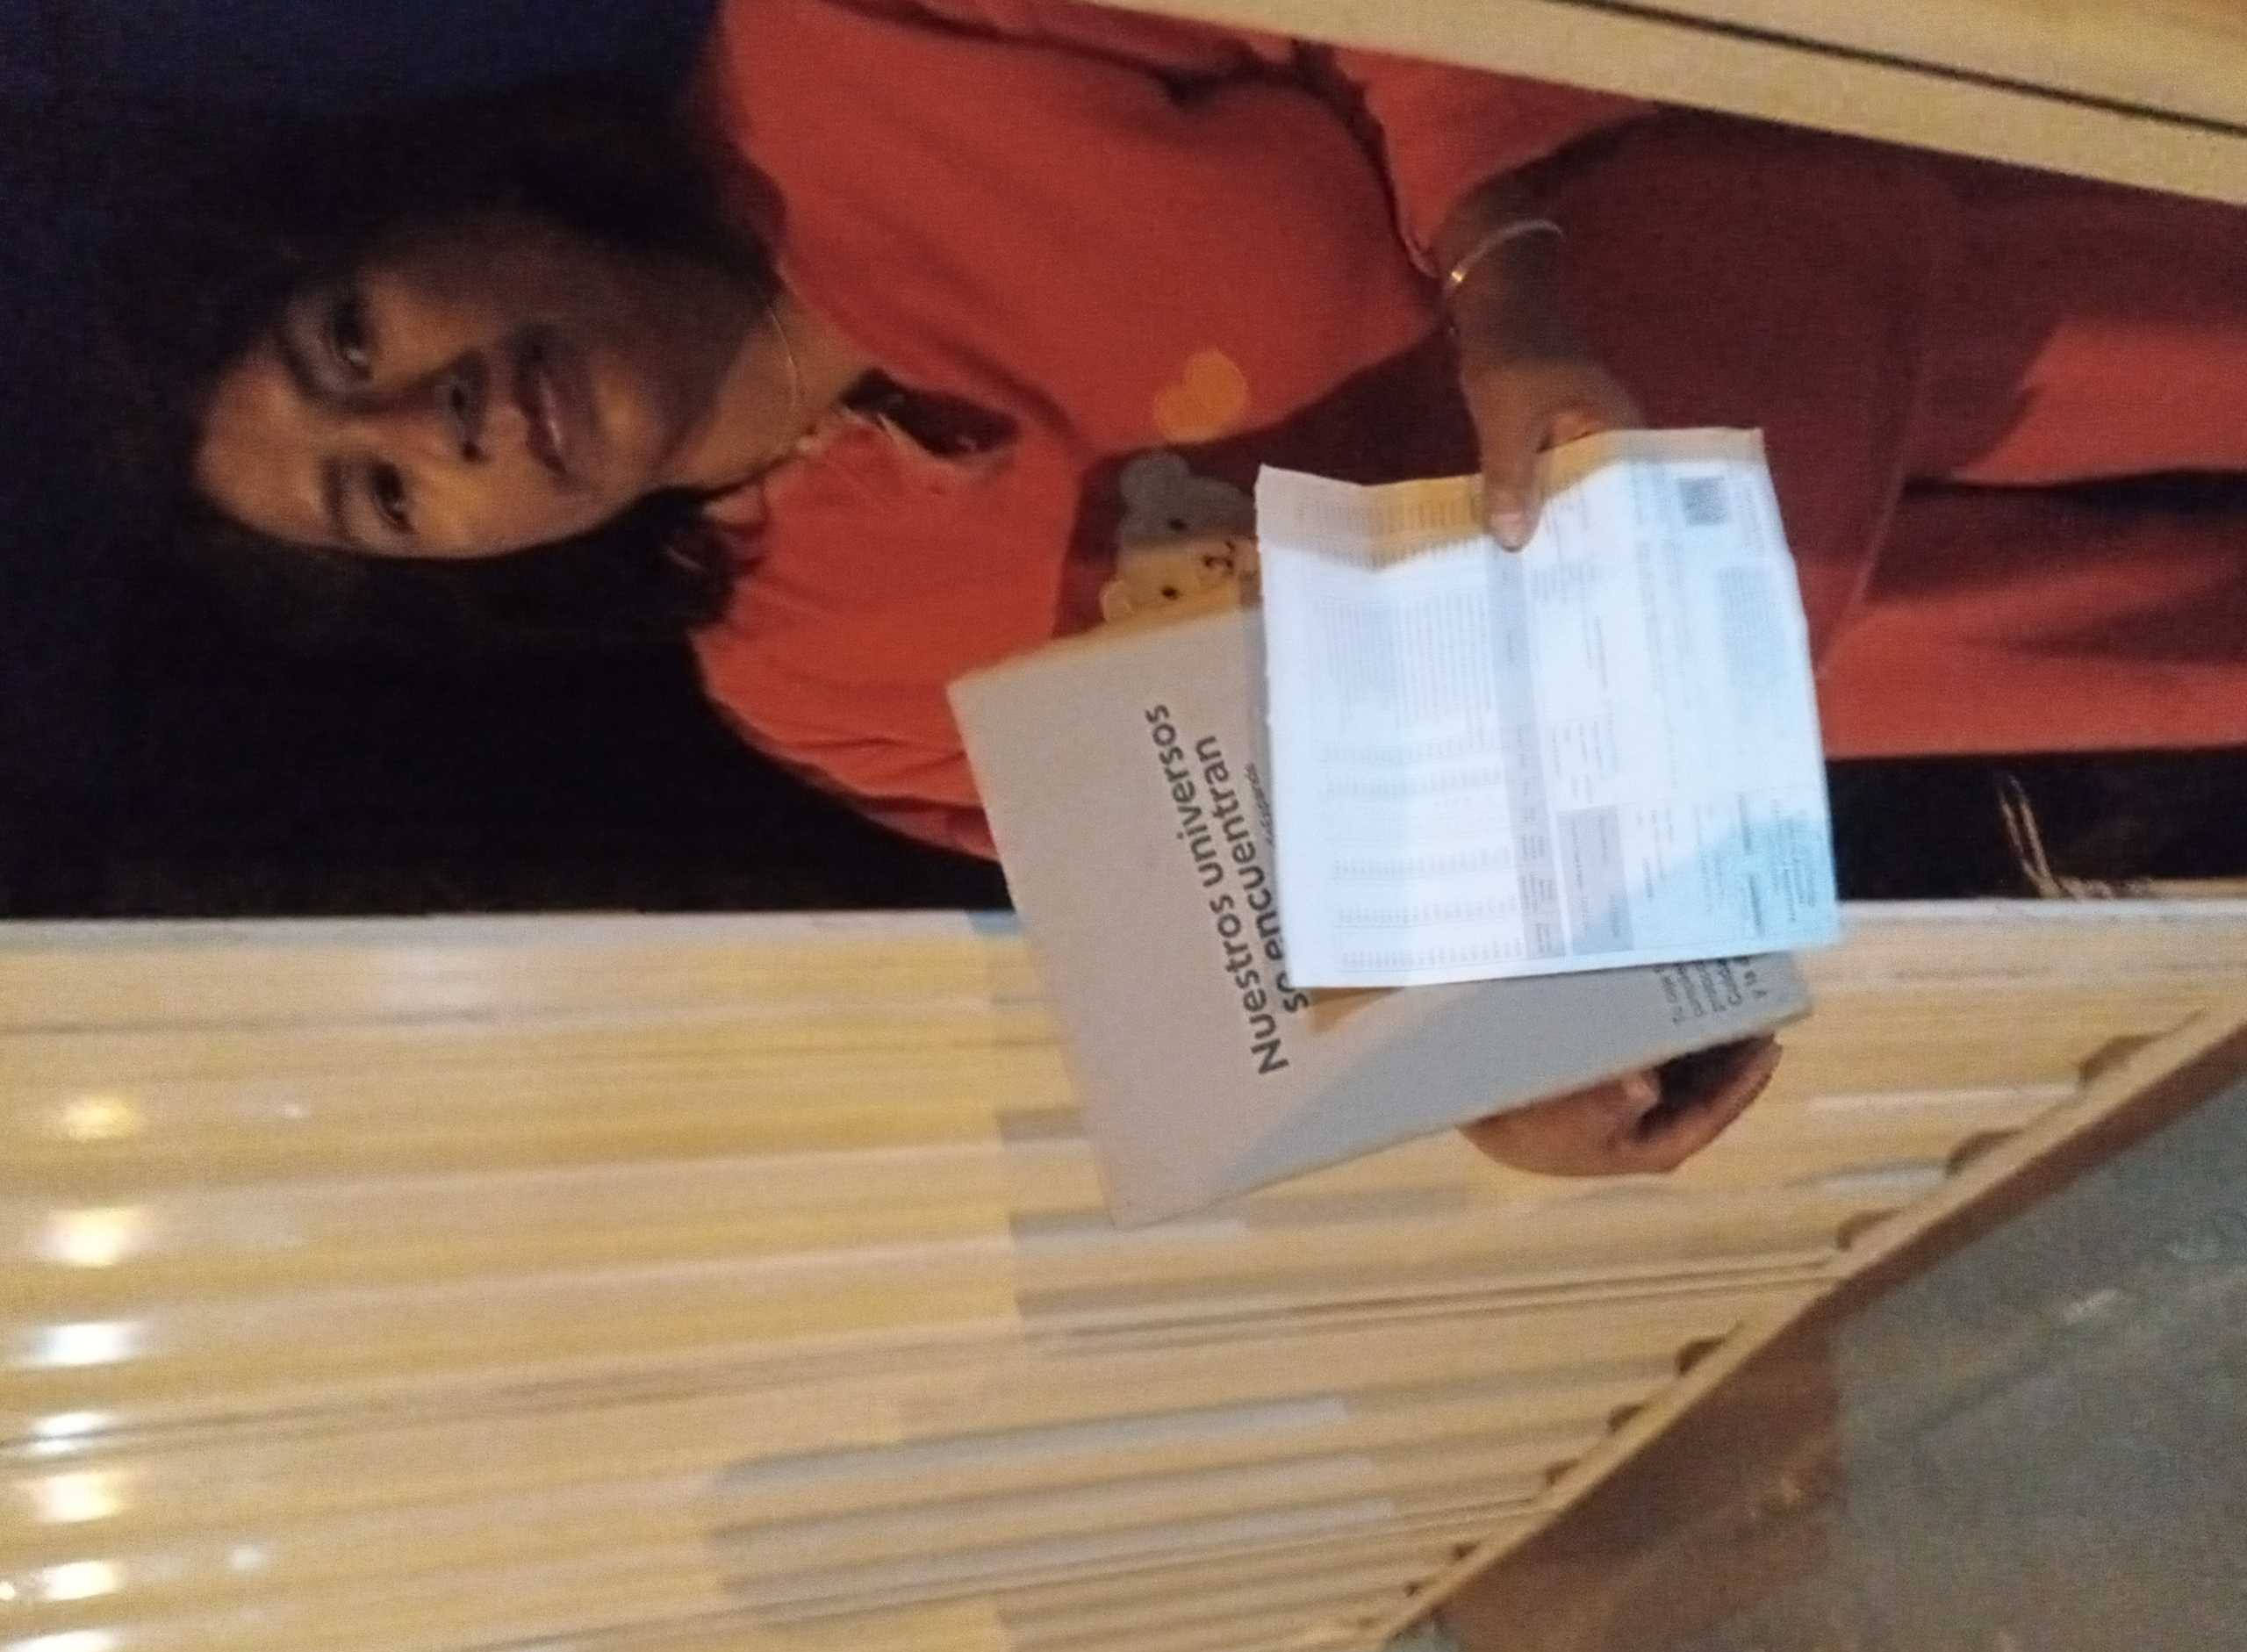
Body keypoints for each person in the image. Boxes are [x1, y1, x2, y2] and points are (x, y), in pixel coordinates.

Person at [132, 0, 2247, 1176]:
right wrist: (1503, 1075)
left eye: (349, 342)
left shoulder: (849, 45)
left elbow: (1399, 24)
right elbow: (1288, 902)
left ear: (420, 208)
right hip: (1810, 649)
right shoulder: (809, 682)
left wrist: (1506, 293)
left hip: (1877, 239)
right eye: (378, 498)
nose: (431, 424)